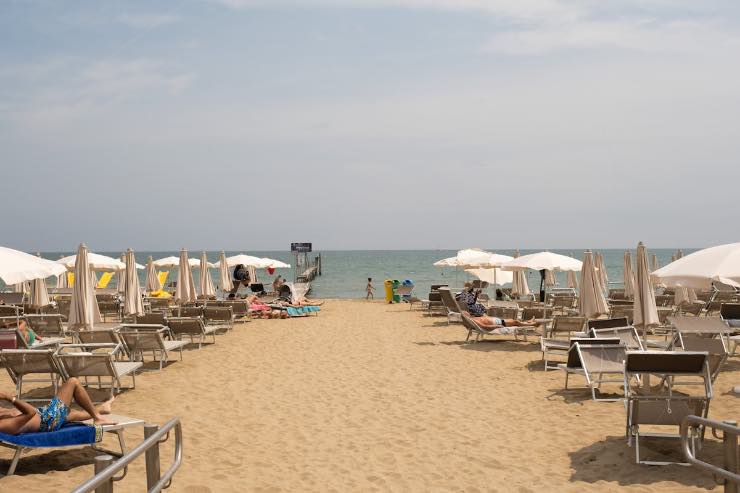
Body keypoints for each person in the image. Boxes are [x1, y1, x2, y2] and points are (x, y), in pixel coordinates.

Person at [0, 377, 116, 435]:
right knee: (73, 382)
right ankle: (97, 417)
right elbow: (31, 413)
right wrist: (9, 397)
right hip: (48, 420)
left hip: (45, 415)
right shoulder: (2, 424)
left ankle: (102, 409)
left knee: (73, 413)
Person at [470, 315, 539, 329]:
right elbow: (484, 326)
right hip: (498, 323)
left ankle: (528, 322)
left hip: (499, 321)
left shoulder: (474, 318)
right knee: (515, 322)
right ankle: (533, 324)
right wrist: (496, 326)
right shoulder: (474, 320)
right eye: (465, 312)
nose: (467, 311)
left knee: (513, 320)